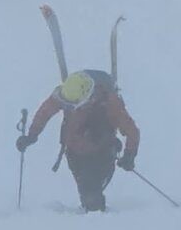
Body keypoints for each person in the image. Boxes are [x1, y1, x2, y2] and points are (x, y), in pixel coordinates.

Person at [18, 69, 140, 211]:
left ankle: (98, 223)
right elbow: (45, 112)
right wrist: (31, 136)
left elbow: (132, 131)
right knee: (86, 192)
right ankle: (90, 218)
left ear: (87, 97)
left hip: (102, 153)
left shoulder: (109, 102)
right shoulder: (66, 94)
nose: (69, 107)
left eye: (73, 105)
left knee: (92, 195)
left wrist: (129, 155)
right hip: (74, 153)